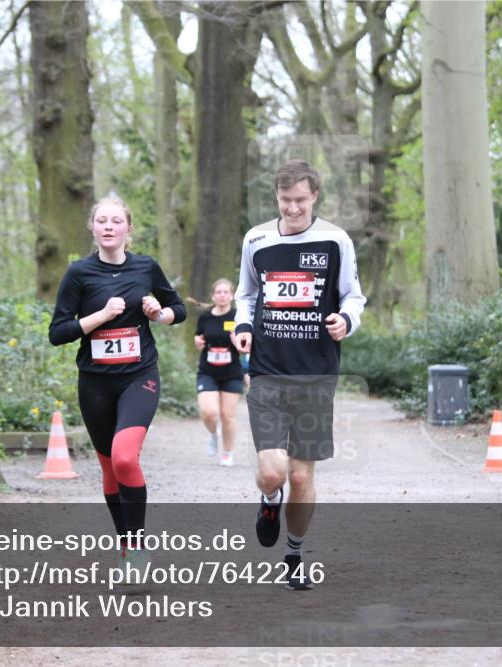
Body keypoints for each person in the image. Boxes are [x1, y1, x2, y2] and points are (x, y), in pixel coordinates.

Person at [233, 160, 366, 590]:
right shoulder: (257, 239)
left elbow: (354, 295)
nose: (293, 209)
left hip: (315, 374)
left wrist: (346, 319)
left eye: (301, 201)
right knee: (273, 472)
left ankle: (294, 553)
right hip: (268, 371)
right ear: (277, 197)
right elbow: (247, 294)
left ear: (314, 198)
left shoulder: (335, 239)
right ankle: (268, 501)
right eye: (286, 200)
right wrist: (243, 325)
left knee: (302, 476)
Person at [48, 194, 186, 565]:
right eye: (101, 221)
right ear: (92, 228)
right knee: (110, 469)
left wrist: (159, 314)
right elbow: (58, 332)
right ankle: (126, 544)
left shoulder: (145, 267)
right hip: (95, 383)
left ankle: (138, 551)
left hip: (139, 376)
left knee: (126, 458)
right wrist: (100, 317)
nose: (108, 227)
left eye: (116, 221)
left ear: (128, 229)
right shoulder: (79, 273)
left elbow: (180, 309)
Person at [193, 278, 244, 467]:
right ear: (213, 296)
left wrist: (238, 342)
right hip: (208, 371)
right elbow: (199, 338)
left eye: (226, 292)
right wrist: (198, 343)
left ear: (231, 295)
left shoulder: (238, 316)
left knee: (227, 415)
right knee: (209, 412)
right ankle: (214, 434)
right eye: (219, 292)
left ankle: (228, 453)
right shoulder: (205, 317)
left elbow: (246, 347)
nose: (222, 295)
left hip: (231, 372)